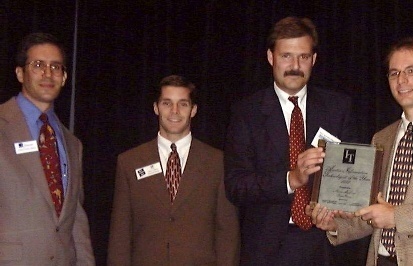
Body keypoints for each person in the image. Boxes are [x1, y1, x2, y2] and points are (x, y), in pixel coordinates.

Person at [310, 37, 413, 265]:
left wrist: (396, 216)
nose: (401, 80)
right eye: (394, 73)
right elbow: (378, 212)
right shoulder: (382, 138)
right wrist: (336, 225)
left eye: (411, 70)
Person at [224, 16, 368, 265]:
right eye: (286, 56)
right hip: (266, 249)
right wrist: (292, 179)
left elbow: (353, 177)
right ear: (271, 57)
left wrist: (335, 214)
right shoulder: (246, 113)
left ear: (313, 59)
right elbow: (237, 186)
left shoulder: (338, 108)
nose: (295, 65)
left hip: (326, 243)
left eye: (303, 57)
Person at [107, 75, 240, 265]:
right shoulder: (130, 162)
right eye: (167, 103)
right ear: (156, 107)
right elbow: (120, 233)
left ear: (193, 110)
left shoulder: (217, 163)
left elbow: (228, 233)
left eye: (183, 104)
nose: (174, 111)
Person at [0, 33, 95, 264]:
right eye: (38, 65)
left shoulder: (73, 144)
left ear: (64, 78)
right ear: (20, 73)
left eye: (56, 67)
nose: (48, 73)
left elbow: (76, 221)